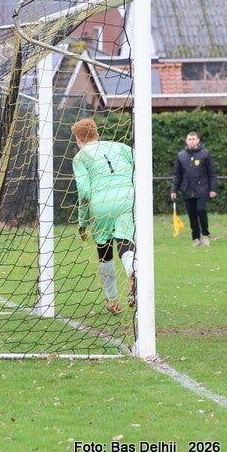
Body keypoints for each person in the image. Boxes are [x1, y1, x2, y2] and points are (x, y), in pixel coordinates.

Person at [71, 119, 136, 315]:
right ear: (97, 135)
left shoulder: (80, 157)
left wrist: (83, 222)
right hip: (128, 199)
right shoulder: (121, 147)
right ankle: (134, 271)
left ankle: (112, 300)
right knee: (125, 241)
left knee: (104, 250)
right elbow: (139, 166)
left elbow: (84, 193)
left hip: (101, 204)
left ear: (77, 139)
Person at [170, 131, 219, 246]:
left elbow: (212, 173)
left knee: (201, 210)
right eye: (189, 139)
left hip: (202, 189)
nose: (191, 141)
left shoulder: (205, 154)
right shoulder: (181, 155)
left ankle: (205, 235)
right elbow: (177, 175)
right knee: (191, 215)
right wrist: (174, 190)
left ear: (198, 140)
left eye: (193, 139)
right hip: (187, 190)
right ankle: (196, 238)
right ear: (186, 141)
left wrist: (213, 189)